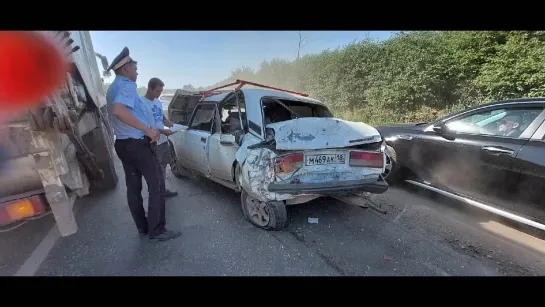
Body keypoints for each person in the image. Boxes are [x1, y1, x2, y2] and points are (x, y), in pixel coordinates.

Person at [105, 47, 181, 243]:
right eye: (135, 67)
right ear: (125, 69)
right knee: (157, 184)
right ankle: (157, 230)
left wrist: (149, 128)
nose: (137, 71)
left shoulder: (113, 87)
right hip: (137, 145)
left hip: (123, 144)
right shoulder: (126, 85)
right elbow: (119, 111)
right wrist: (148, 131)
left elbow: (125, 113)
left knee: (133, 188)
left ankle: (142, 227)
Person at [141, 77, 178, 198]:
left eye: (161, 91)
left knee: (163, 166)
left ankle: (162, 189)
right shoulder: (142, 103)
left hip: (162, 141)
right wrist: (163, 131)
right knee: (154, 170)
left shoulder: (157, 101)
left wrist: (173, 125)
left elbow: (162, 118)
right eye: (157, 91)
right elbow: (144, 126)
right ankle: (156, 193)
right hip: (152, 142)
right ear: (150, 89)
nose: (159, 94)